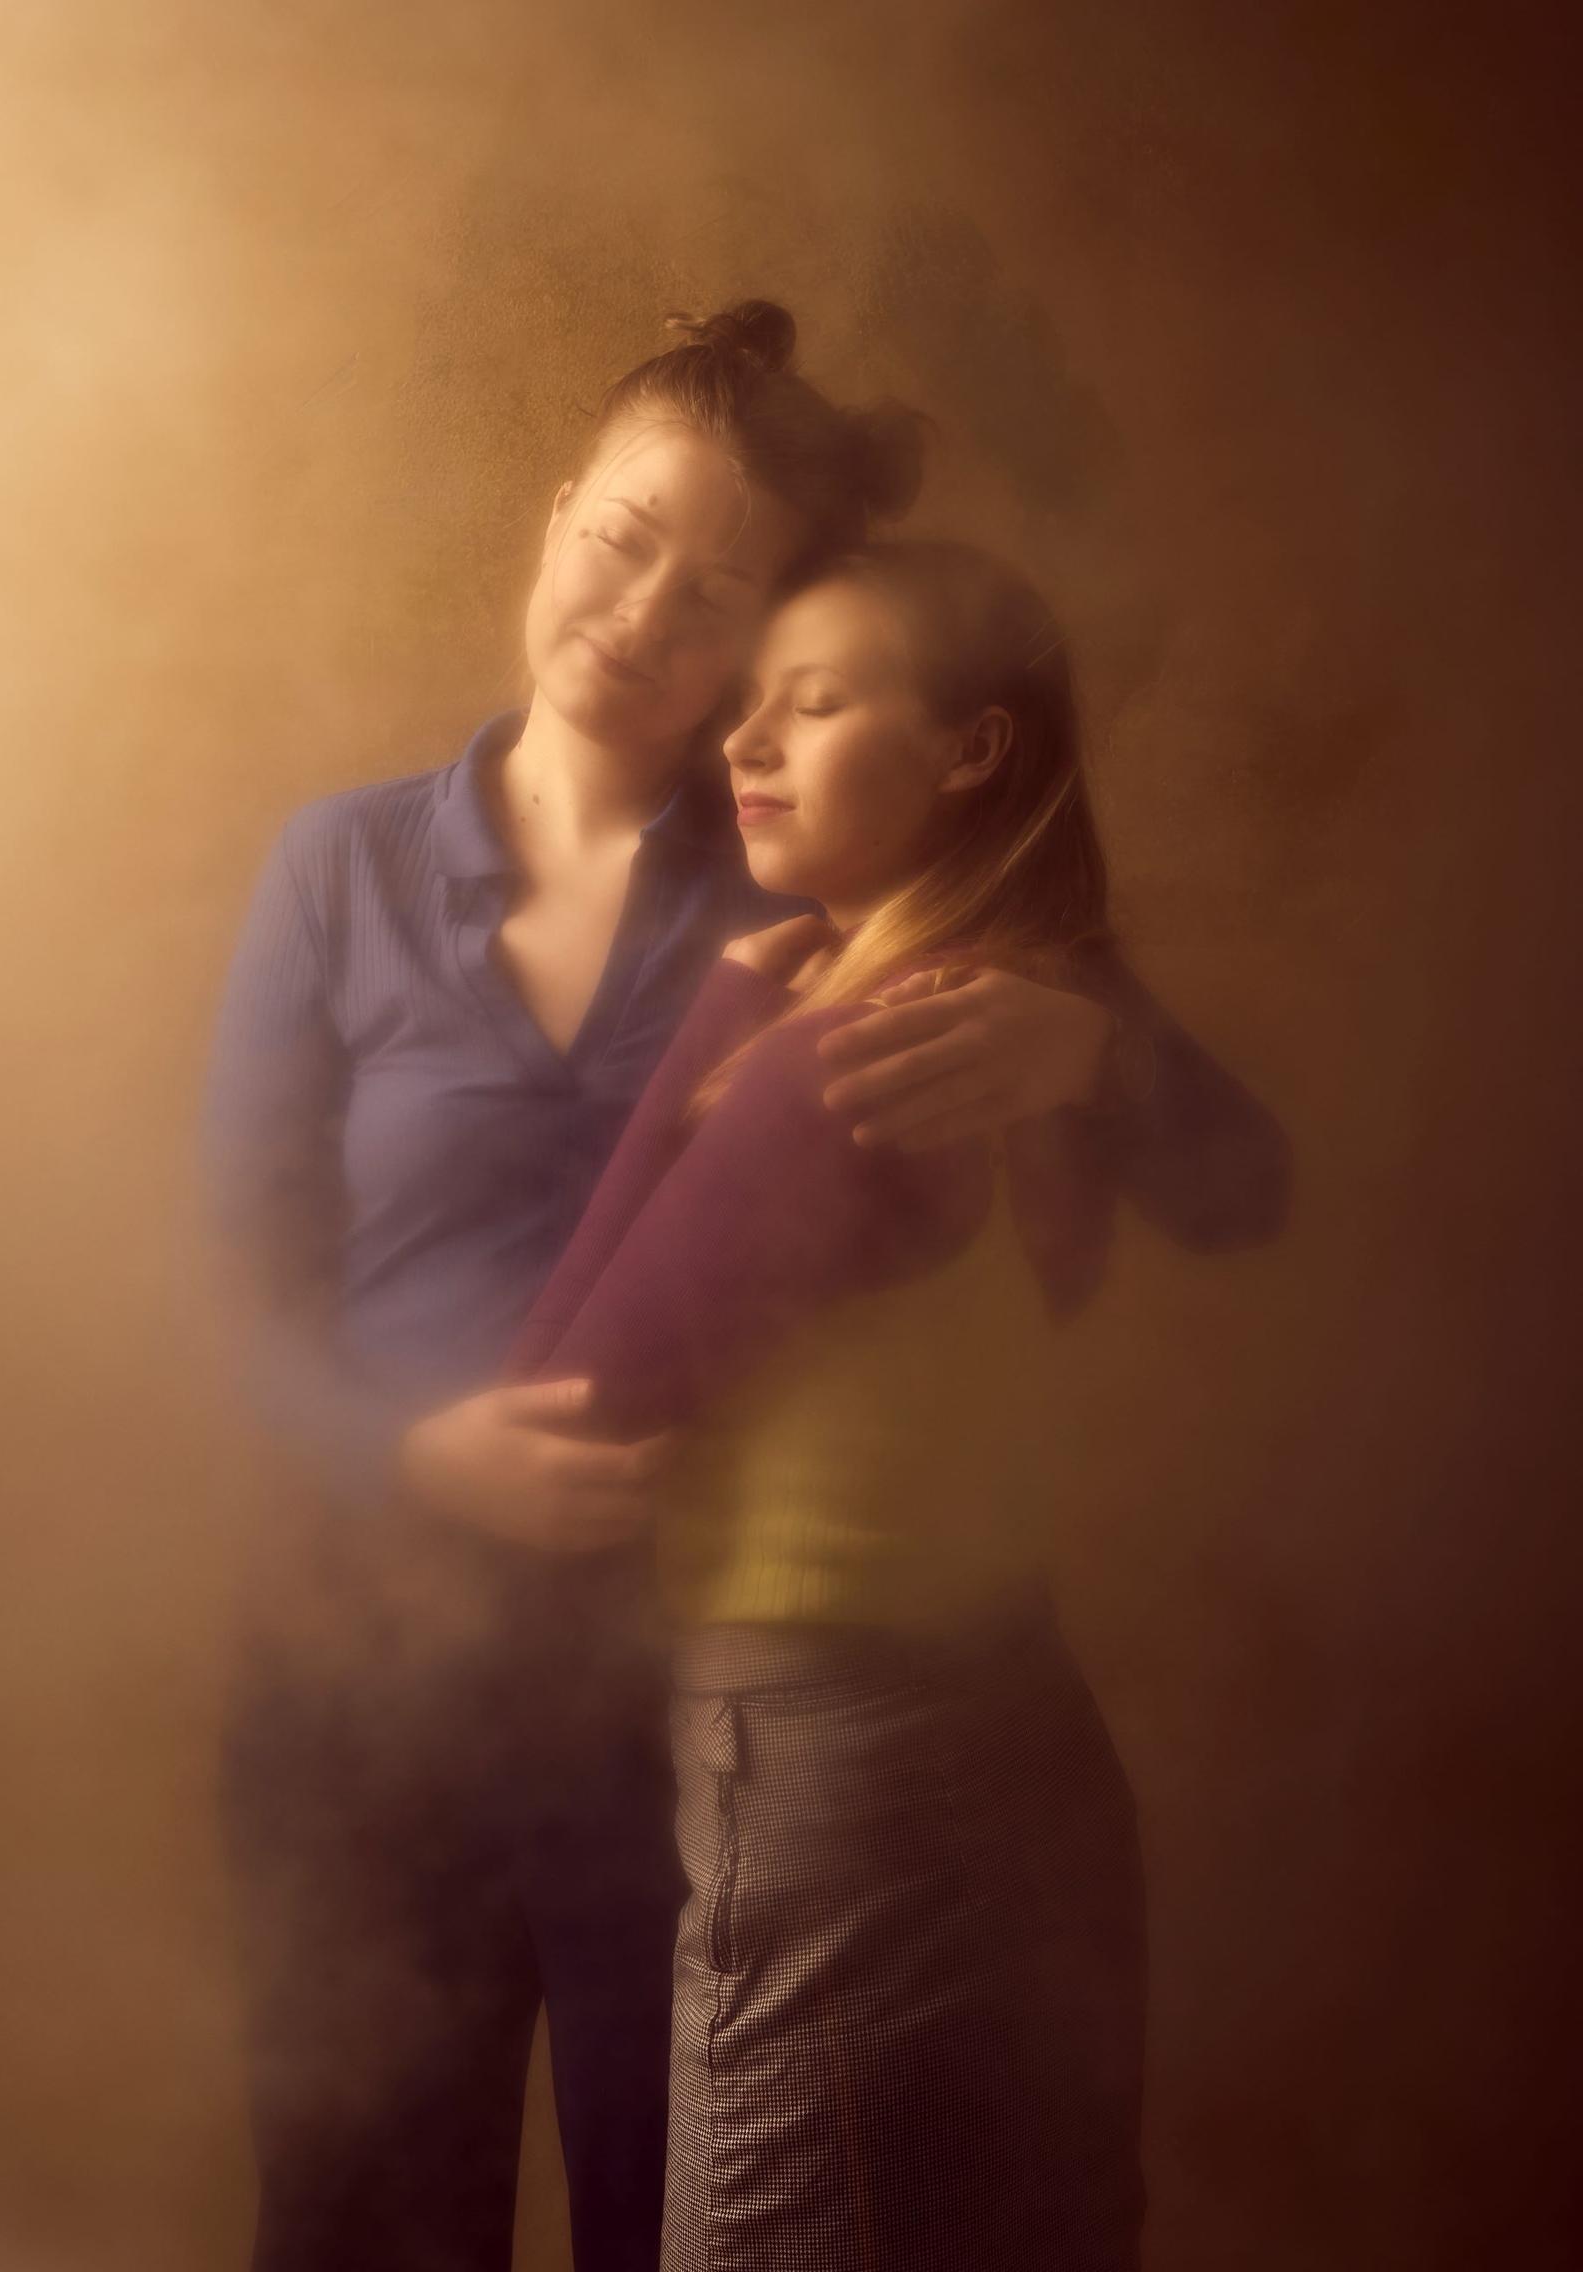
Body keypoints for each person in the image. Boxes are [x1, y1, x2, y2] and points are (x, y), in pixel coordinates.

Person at [204, 304, 1287, 2272]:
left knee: (689, 2222)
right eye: (622, 539)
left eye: (716, 596)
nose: (639, 617)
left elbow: (1240, 1190)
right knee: (359, 2230)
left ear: (773, 639)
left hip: (680, 1711)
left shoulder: (831, 863)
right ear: (558, 513)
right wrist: (410, 1451)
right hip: (367, 1691)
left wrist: (1090, 1050)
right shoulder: (339, 868)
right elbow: (234, 1299)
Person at [508, 538, 1233, 2270]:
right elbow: (1252, 1189)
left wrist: (716, 1027)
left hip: (828, 1751)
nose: (746, 743)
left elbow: (567, 1402)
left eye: (816, 705)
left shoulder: (855, 1047)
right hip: (1018, 1713)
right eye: (750, 707)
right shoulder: (1029, 1004)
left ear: (972, 751)